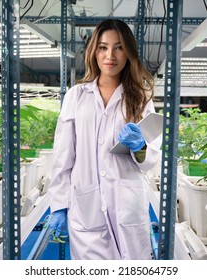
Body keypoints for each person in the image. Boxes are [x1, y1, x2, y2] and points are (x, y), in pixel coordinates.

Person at [47, 19, 161, 260]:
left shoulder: (140, 98)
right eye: (103, 47)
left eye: (119, 47)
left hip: (127, 206)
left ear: (128, 52)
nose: (111, 55)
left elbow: (151, 159)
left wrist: (140, 147)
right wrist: (59, 204)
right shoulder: (76, 96)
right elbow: (63, 155)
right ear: (94, 52)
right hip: (87, 209)